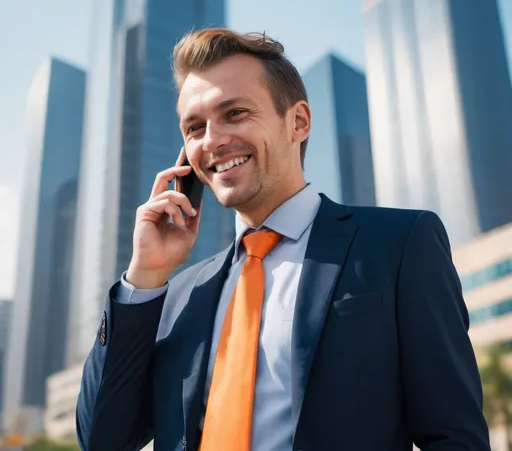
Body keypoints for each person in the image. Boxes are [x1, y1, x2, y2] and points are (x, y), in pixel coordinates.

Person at [76, 28, 490, 451]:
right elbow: (102, 440)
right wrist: (144, 275)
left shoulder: (398, 244)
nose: (213, 141)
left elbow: (455, 436)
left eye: (234, 113)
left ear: (298, 121)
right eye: (195, 128)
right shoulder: (178, 292)